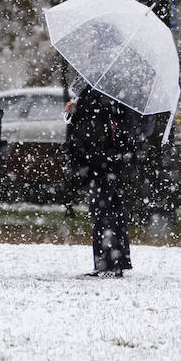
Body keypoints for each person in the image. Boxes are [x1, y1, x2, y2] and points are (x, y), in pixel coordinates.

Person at [65, 86, 136, 277]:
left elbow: (92, 127)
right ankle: (116, 261)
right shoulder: (113, 92)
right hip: (111, 162)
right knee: (112, 210)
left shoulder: (99, 91)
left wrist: (78, 110)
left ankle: (108, 263)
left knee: (103, 212)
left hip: (102, 163)